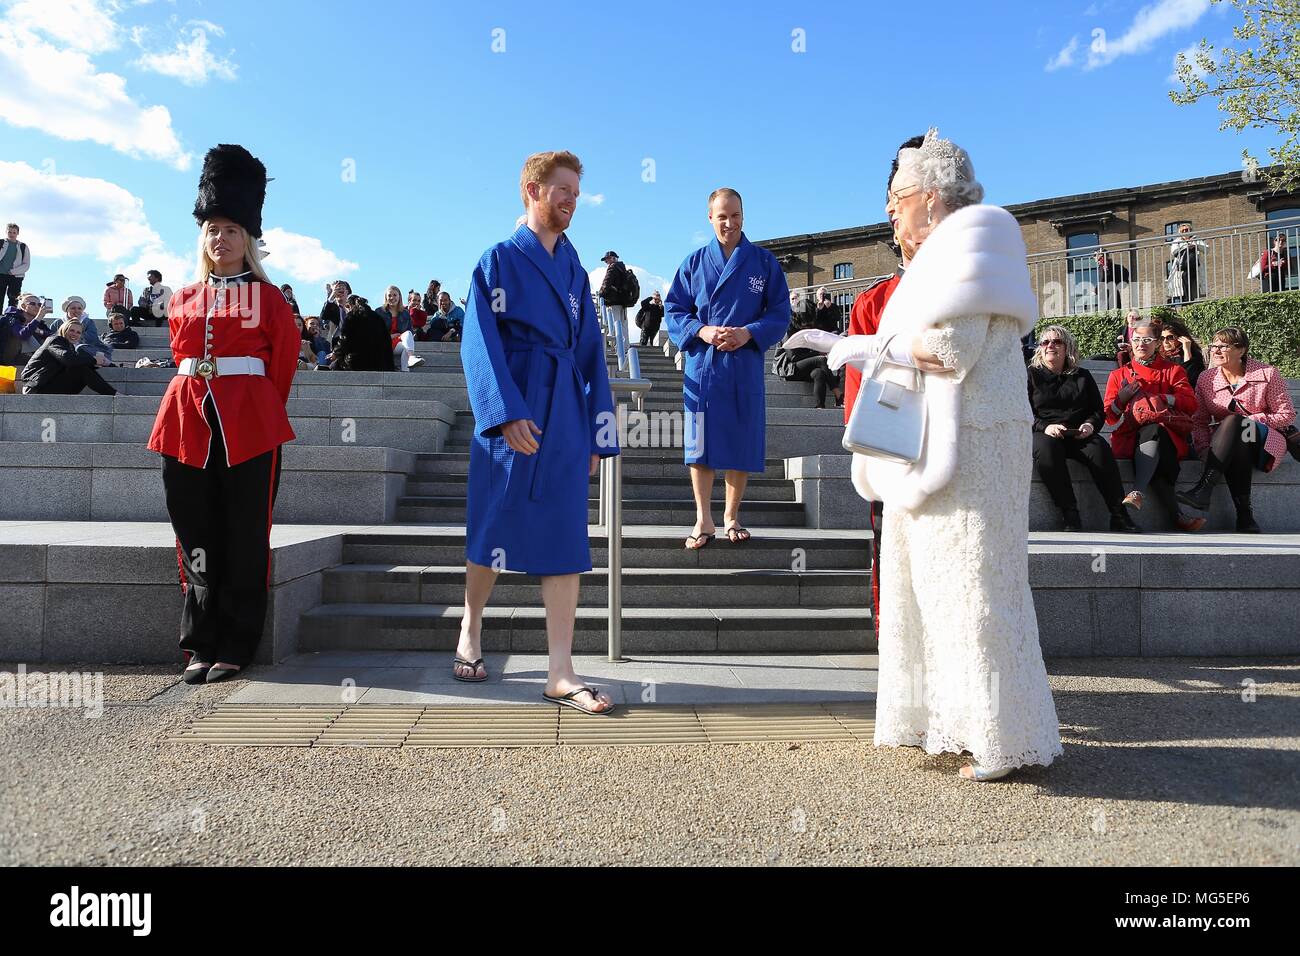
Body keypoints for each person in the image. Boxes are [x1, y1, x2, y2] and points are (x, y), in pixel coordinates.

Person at [826, 128, 1061, 782]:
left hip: (974, 446)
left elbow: (948, 352)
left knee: (974, 593)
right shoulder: (950, 250)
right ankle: (956, 725)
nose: (890, 209)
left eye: (898, 197)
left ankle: (999, 739)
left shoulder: (973, 240)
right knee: (942, 591)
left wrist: (867, 349)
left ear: (930, 197)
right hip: (951, 441)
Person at [457, 149, 619, 713]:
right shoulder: (498, 260)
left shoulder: (576, 271)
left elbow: (592, 353)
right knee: (492, 523)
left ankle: (559, 671)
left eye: (577, 190)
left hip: (565, 413)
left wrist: (598, 431)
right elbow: (478, 339)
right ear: (532, 190)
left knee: (565, 536)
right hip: (515, 402)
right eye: (562, 189)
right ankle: (471, 628)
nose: (573, 199)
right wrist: (503, 411)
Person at [146, 144, 300, 684]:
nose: (221, 237)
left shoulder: (271, 298)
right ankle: (201, 643)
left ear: (248, 238)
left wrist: (252, 410)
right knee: (195, 534)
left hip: (250, 426)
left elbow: (280, 367)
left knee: (243, 533)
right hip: (185, 422)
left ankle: (236, 642)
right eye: (213, 228)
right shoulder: (182, 297)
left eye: (232, 228)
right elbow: (179, 357)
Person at [664, 187, 790, 549]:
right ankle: (703, 517)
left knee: (741, 437)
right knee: (700, 442)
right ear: (710, 218)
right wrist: (702, 330)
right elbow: (675, 310)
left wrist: (748, 333)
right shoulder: (693, 263)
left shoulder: (764, 263)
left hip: (743, 363)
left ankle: (732, 515)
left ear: (743, 216)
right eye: (722, 216)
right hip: (703, 366)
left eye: (735, 216)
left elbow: (780, 313)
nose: (729, 223)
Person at [844, 133, 925, 639]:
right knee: (892, 552)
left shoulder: (981, 288)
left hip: (962, 449)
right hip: (897, 450)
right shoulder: (873, 303)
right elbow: (861, 400)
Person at [1179, 327, 1296, 532]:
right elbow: (1199, 421)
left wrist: (1252, 419)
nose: (1215, 350)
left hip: (1264, 440)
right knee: (1237, 440)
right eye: (1213, 345)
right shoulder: (1206, 378)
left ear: (1241, 350)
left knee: (1235, 422)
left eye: (1223, 346)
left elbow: (1286, 415)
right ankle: (1244, 517)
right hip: (1232, 443)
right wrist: (1204, 448)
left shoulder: (1267, 373)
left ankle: (1204, 489)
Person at [1028, 325, 1136, 532]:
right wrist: (1045, 426)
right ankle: (1070, 514)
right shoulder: (1031, 375)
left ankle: (1119, 514)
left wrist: (1089, 425)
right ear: (1040, 348)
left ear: (1067, 347)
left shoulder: (1082, 376)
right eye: (1045, 342)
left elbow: (1097, 410)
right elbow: (1022, 411)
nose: (1050, 346)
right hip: (1045, 432)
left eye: (1057, 342)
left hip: (1078, 433)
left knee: (1100, 448)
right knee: (1047, 450)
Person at [1103, 320, 1202, 531]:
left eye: (1147, 340)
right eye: (1137, 339)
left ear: (1157, 343)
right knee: (1152, 450)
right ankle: (1177, 515)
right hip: (1131, 435)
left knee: (1155, 431)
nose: (1141, 344)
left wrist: (1165, 398)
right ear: (1130, 341)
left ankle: (1138, 491)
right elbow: (1110, 418)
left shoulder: (1173, 370)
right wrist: (1121, 399)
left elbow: (1192, 404)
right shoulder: (1119, 374)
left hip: (1168, 434)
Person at [775, 293, 839, 409]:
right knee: (821, 360)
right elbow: (793, 357)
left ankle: (820, 406)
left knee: (819, 373)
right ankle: (838, 395)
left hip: (802, 366)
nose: (808, 327)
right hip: (788, 367)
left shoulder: (807, 326)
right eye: (806, 323)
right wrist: (817, 354)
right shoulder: (788, 328)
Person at [20, 319, 117, 395]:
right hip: (35, 387)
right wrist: (94, 360)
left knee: (84, 367)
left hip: (47, 383)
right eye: (71, 330)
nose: (74, 334)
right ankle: (115, 394)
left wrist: (104, 363)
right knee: (81, 369)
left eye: (78, 332)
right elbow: (68, 359)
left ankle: (114, 394)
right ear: (64, 330)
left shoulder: (69, 347)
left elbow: (76, 361)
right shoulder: (55, 340)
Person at [329, 294, 394, 371]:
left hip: (357, 362)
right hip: (380, 363)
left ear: (349, 306)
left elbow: (345, 339)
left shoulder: (351, 316)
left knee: (334, 367)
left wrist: (336, 353)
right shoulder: (377, 317)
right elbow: (387, 340)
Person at [377, 284, 425, 370]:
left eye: (395, 295)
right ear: (386, 297)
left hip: (398, 343)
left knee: (407, 339)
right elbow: (375, 332)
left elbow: (409, 331)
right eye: (389, 295)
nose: (392, 298)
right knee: (408, 346)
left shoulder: (405, 313)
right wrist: (390, 336)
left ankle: (406, 370)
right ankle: (411, 357)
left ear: (399, 297)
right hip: (384, 343)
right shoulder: (379, 312)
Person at [0, 293, 55, 366]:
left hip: (33, 358)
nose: (37, 307)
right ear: (23, 306)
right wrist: (39, 316)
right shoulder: (12, 318)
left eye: (39, 305)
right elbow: (22, 334)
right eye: (33, 304)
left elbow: (54, 337)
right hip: (8, 359)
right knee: (23, 334)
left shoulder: (40, 323)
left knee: (50, 340)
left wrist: (40, 331)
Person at [60, 296, 113, 365]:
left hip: (87, 349)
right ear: (67, 310)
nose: (76, 311)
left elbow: (92, 339)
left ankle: (104, 361)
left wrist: (76, 335)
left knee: (80, 348)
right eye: (73, 308)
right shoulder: (59, 322)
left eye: (79, 308)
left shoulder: (88, 322)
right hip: (66, 351)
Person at [1158, 315, 1205, 387]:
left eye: (1170, 337)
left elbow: (1188, 378)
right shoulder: (1160, 355)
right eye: (1162, 338)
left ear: (1181, 338)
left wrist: (1187, 350)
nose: (1165, 341)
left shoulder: (1194, 355)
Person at [1166, 223, 1206, 305]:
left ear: (1190, 231)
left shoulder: (1196, 239)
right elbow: (1174, 252)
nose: (1185, 231)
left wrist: (1196, 245)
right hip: (1183, 266)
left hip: (1194, 265)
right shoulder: (1177, 241)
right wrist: (1186, 246)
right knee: (1184, 280)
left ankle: (1190, 300)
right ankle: (1187, 301)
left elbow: (1206, 249)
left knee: (1194, 283)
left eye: (1187, 230)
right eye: (1183, 230)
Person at [597, 250, 634, 334]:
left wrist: (600, 294)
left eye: (607, 259)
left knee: (614, 324)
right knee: (623, 327)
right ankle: (625, 346)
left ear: (613, 258)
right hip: (623, 302)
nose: (606, 262)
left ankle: (616, 345)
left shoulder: (613, 267)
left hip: (613, 301)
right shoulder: (623, 268)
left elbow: (607, 282)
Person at [0, 223, 31, 308]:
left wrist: (13, 271)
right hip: (1, 274)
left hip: (16, 276)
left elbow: (26, 264)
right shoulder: (1, 243)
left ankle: (11, 316)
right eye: (10, 232)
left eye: (14, 232)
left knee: (14, 297)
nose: (12, 234)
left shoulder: (23, 247)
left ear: (17, 233)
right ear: (6, 232)